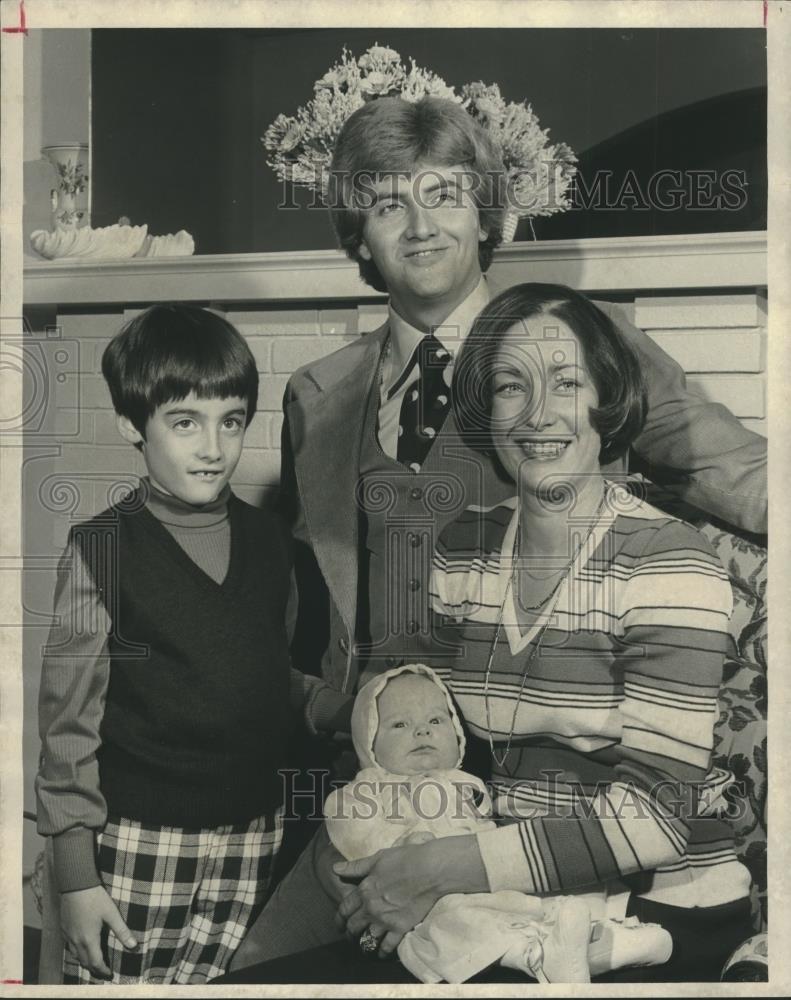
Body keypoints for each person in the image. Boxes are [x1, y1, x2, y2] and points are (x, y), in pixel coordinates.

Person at [230, 94, 766, 969]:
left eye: (443, 193)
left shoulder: (582, 351)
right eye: (386, 200)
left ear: (485, 215)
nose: (419, 223)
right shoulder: (317, 396)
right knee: (252, 976)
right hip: (373, 785)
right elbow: (314, 608)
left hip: (535, 817)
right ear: (357, 235)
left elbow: (736, 470)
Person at [332, 283, 755, 983]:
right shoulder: (462, 546)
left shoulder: (666, 561)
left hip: (660, 910)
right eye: (508, 386)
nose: (536, 416)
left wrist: (441, 869)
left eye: (565, 383)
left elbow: (653, 821)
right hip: (504, 898)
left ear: (605, 400)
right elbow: (429, 737)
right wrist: (370, 860)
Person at [35, 304, 339, 985]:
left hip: (251, 838)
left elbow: (267, 675)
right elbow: (66, 731)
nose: (213, 446)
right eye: (184, 422)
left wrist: (340, 707)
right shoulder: (102, 549)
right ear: (130, 426)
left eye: (230, 420)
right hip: (137, 842)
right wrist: (77, 877)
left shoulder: (271, 545)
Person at [325, 663, 674, 984]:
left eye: (436, 721)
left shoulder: (466, 784)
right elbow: (353, 836)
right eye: (400, 725)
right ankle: (534, 955)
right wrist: (398, 843)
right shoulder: (365, 791)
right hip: (419, 896)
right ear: (368, 742)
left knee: (544, 895)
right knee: (456, 922)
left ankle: (600, 943)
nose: (422, 732)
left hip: (477, 874)